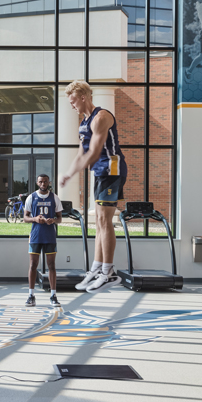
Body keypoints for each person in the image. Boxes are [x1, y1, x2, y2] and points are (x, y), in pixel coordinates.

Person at [60, 80, 127, 293]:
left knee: (105, 221)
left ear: (83, 97)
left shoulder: (101, 117)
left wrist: (73, 172)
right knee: (97, 222)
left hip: (112, 170)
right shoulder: (84, 122)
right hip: (99, 172)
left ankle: (109, 272)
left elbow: (95, 152)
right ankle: (98, 267)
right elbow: (81, 154)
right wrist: (69, 174)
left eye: (73, 101)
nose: (72, 106)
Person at [23, 174, 63, 307]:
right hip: (35, 236)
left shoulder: (54, 197)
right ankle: (31, 295)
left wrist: (53, 220)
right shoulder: (31, 197)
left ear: (49, 182)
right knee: (33, 265)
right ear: (37, 182)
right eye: (40, 181)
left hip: (50, 236)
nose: (43, 184)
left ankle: (53, 295)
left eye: (45, 182)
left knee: (51, 265)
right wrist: (35, 219)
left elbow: (60, 218)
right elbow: (25, 218)